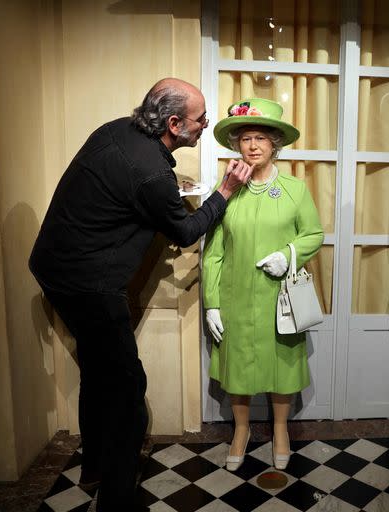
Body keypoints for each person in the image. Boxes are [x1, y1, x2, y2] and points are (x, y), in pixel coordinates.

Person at [29, 78, 252, 511]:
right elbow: (185, 231)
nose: (206, 124)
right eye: (201, 118)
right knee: (129, 389)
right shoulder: (151, 172)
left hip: (51, 268)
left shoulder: (115, 130)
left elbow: (121, 195)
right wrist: (225, 192)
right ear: (173, 123)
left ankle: (94, 467)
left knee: (97, 369)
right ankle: (115, 498)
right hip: (88, 286)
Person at [202, 98, 324, 472]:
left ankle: (281, 429)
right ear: (236, 145)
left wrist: (289, 254)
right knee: (238, 368)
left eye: (260, 138)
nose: (252, 146)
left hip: (279, 299)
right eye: (245, 138)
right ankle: (240, 431)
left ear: (275, 144)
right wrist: (211, 303)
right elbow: (213, 253)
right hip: (235, 297)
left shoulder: (294, 189)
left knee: (281, 366)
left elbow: (314, 234)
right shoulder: (227, 192)